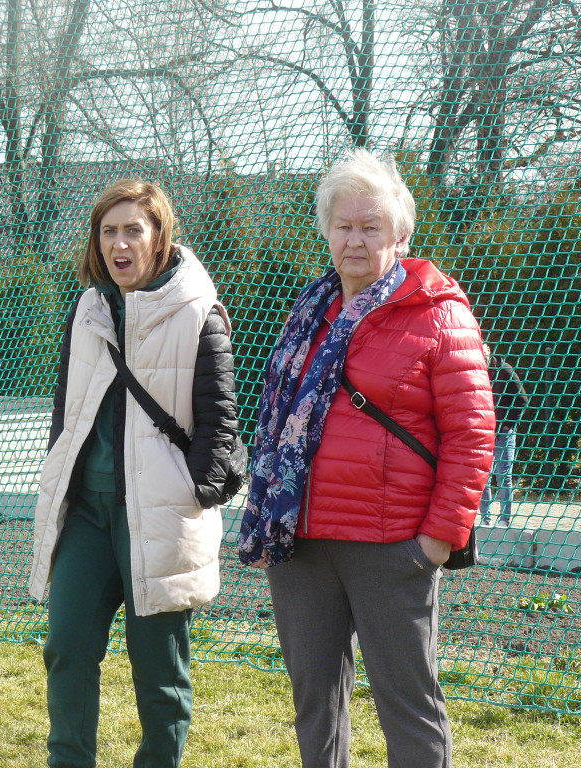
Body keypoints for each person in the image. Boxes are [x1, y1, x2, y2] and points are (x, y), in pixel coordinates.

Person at [237, 149, 494, 768]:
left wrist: (436, 539)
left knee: (408, 705)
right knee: (314, 704)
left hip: (391, 544)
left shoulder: (437, 315)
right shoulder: (311, 313)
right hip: (300, 541)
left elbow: (472, 436)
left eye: (370, 227)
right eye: (344, 225)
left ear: (400, 234)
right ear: (326, 229)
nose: (355, 240)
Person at [28, 179, 239, 768]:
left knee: (159, 671)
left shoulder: (199, 310)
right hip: (87, 514)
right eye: (108, 231)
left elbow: (220, 420)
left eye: (133, 231)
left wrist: (188, 493)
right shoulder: (88, 306)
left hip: (159, 515)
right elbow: (66, 407)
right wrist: (60, 469)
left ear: (159, 237)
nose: (119, 244)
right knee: (66, 647)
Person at [480, 344, 529, 527]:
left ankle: (504, 519)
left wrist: (508, 424)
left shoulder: (505, 371)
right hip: (484, 433)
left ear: (488, 353)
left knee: (503, 475)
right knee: (483, 476)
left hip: (504, 433)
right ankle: (486, 519)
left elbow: (522, 399)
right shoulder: (476, 373)